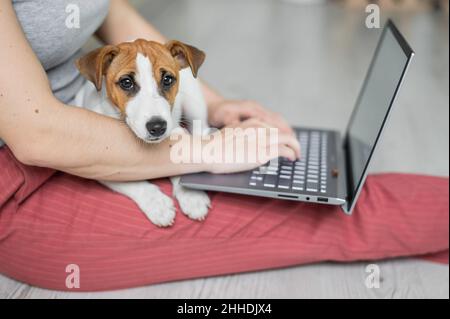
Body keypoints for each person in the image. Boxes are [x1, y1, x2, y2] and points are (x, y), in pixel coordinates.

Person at [0, 0, 448, 291]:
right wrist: (211, 154)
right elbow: (37, 136)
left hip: (101, 139)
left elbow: (112, 13)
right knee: (309, 215)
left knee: (284, 180)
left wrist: (217, 108)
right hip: (27, 178)